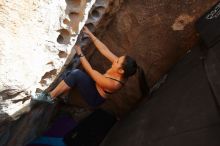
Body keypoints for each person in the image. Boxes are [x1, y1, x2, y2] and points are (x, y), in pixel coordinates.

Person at [31, 26, 148, 107]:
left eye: (118, 61)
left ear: (121, 71)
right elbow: (104, 50)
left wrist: (80, 52)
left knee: (76, 74)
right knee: (69, 75)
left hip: (95, 97)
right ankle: (62, 94)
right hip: (96, 85)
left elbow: (90, 71)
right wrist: (91, 35)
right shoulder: (120, 68)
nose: (115, 59)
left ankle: (50, 97)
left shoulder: (113, 84)